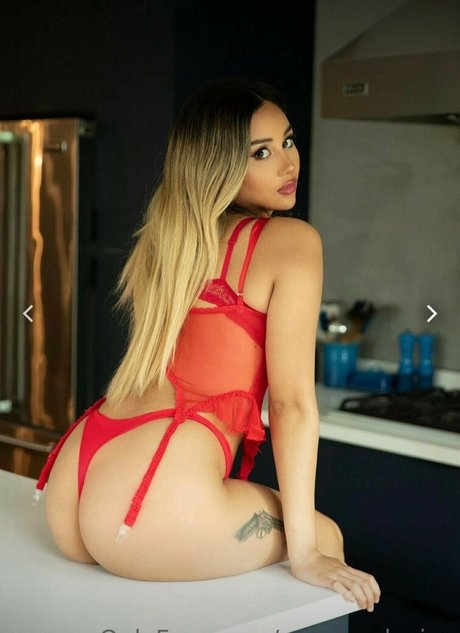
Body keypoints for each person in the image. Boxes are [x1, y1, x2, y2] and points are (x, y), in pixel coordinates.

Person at [33, 77, 380, 612]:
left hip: (75, 479)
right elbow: (290, 404)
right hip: (147, 504)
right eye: (261, 153)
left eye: (287, 141)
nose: (287, 163)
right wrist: (307, 552)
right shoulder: (292, 243)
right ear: (219, 167)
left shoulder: (167, 241)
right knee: (323, 537)